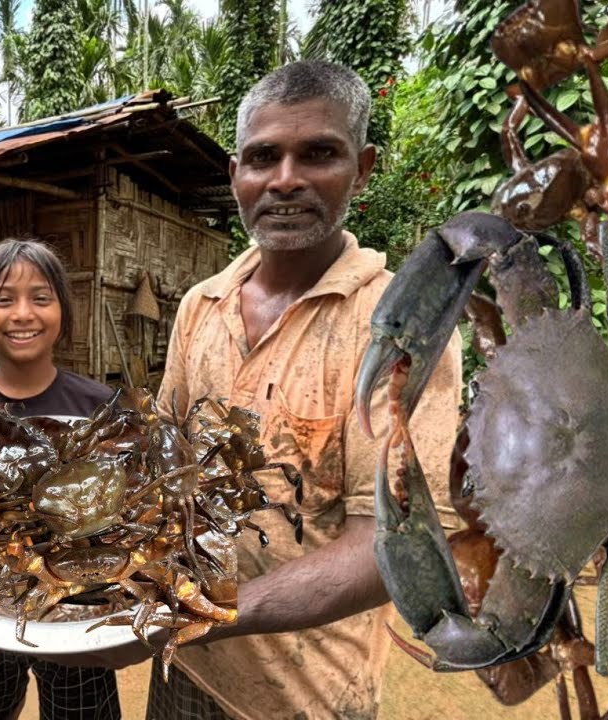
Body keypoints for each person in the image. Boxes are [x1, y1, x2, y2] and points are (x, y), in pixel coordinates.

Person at [78, 61, 463, 719]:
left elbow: (392, 547)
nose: (285, 179)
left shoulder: (400, 329)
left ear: (362, 167)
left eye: (318, 153)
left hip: (308, 697)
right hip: (186, 671)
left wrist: (202, 610)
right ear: (236, 176)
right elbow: (162, 462)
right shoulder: (203, 303)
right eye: (263, 157)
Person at [0, 238, 122, 720]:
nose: (23, 314)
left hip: (81, 603)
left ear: (63, 310)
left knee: (84, 713)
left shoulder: (101, 407)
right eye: (4, 300)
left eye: (41, 298)